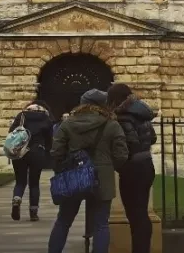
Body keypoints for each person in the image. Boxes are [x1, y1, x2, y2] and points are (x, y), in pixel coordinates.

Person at [48, 89, 128, 253]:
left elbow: (56, 152)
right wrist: (109, 165)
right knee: (101, 224)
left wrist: (64, 167)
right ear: (103, 104)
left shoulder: (68, 123)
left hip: (74, 174)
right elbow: (122, 154)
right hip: (102, 177)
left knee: (63, 221)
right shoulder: (111, 124)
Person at [107, 83, 157, 253]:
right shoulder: (142, 113)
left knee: (135, 215)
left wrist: (118, 161)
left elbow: (128, 144)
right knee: (141, 213)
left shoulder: (123, 117)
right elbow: (153, 138)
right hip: (146, 163)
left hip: (132, 168)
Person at [8, 100, 54, 221]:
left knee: (20, 181)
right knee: (34, 183)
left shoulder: (21, 116)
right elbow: (50, 140)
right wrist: (47, 152)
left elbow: (11, 133)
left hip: (20, 152)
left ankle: (17, 199)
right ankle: (33, 213)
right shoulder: (46, 119)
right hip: (37, 152)